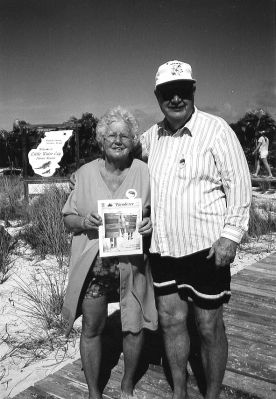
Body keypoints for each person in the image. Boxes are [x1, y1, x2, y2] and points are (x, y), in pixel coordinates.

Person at [139, 61, 252, 399]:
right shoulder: (150, 136)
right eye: (168, 92)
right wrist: (83, 173)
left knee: (207, 326)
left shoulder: (216, 129)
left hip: (206, 248)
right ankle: (179, 392)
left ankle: (212, 394)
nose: (176, 98)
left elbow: (240, 186)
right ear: (158, 96)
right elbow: (120, 157)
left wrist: (231, 236)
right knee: (171, 323)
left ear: (192, 92)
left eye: (183, 91)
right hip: (162, 248)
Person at [62, 106, 158, 399]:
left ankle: (127, 386)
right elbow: (68, 217)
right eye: (111, 135)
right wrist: (83, 221)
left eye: (125, 135)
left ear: (133, 141)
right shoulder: (85, 173)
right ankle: (94, 392)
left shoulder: (145, 172)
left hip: (132, 263)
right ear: (101, 141)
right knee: (92, 326)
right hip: (95, 265)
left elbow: (157, 212)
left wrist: (149, 223)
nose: (118, 140)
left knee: (133, 327)